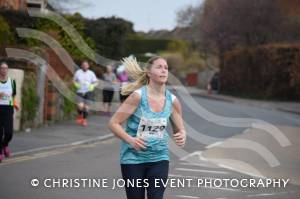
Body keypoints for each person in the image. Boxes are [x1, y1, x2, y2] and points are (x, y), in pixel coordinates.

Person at [108, 56, 186, 199]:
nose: (163, 70)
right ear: (149, 72)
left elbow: (179, 129)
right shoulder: (137, 97)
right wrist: (130, 140)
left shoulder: (172, 101)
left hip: (159, 158)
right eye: (159, 67)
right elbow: (113, 123)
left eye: (166, 68)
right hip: (133, 159)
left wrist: (182, 135)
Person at [0, 62, 19, 163]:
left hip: (8, 109)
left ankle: (4, 145)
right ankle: (0, 152)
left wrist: (15, 104)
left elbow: (13, 96)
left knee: (8, 133)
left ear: (7, 70)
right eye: (2, 68)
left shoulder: (12, 82)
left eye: (5, 68)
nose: (4, 70)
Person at [73, 60, 98, 127]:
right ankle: (80, 115)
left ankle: (84, 120)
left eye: (86, 65)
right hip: (80, 91)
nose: (85, 66)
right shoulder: (78, 72)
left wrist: (93, 86)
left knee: (86, 107)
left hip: (88, 92)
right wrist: (76, 84)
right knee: (80, 106)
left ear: (88, 66)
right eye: (83, 65)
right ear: (81, 66)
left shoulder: (91, 73)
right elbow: (74, 80)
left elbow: (96, 82)